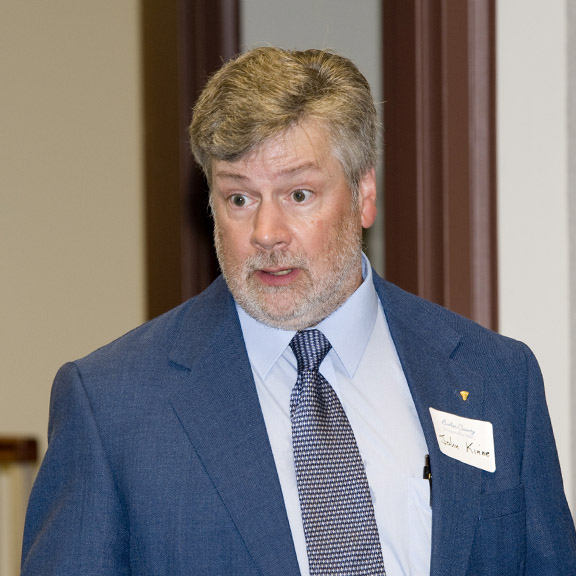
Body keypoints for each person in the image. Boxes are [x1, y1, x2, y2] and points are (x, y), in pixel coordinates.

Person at [21, 47, 576, 576]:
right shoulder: (113, 405)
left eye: (298, 195)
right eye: (239, 198)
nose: (265, 233)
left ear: (363, 193)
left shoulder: (496, 379)